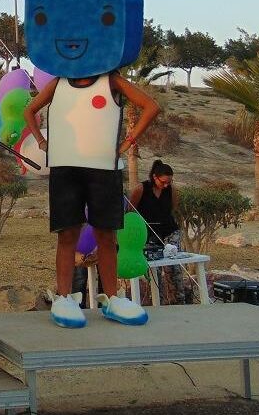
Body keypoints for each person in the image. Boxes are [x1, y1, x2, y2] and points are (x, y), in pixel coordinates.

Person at [24, 71, 160, 327]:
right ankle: (64, 297)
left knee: (106, 235)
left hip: (103, 168)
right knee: (67, 234)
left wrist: (128, 142)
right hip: (65, 167)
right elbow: (29, 110)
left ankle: (112, 299)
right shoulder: (59, 82)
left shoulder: (111, 80)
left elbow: (151, 106)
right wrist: (41, 141)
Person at [129, 159, 188, 304]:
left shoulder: (171, 190)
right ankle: (157, 301)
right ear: (155, 177)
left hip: (169, 231)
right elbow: (131, 211)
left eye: (169, 182)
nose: (166, 185)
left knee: (173, 266)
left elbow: (172, 208)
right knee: (154, 267)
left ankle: (178, 300)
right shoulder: (141, 189)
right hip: (148, 233)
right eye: (163, 182)